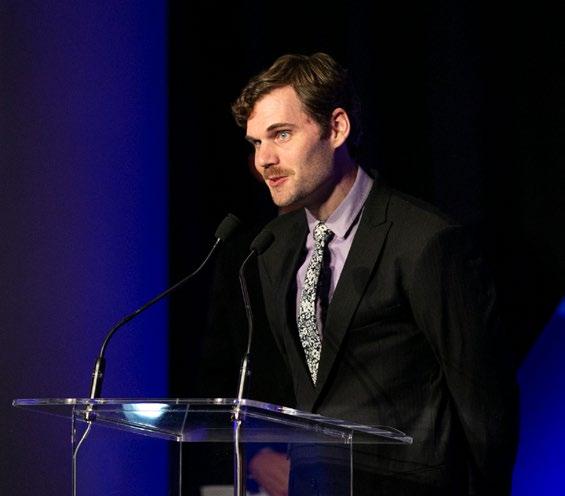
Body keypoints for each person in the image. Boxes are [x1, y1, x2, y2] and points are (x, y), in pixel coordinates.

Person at [231, 53, 518, 495]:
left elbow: (486, 408)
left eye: (281, 134)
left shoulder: (425, 241)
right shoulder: (274, 248)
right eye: (255, 143)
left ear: (336, 128)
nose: (263, 160)